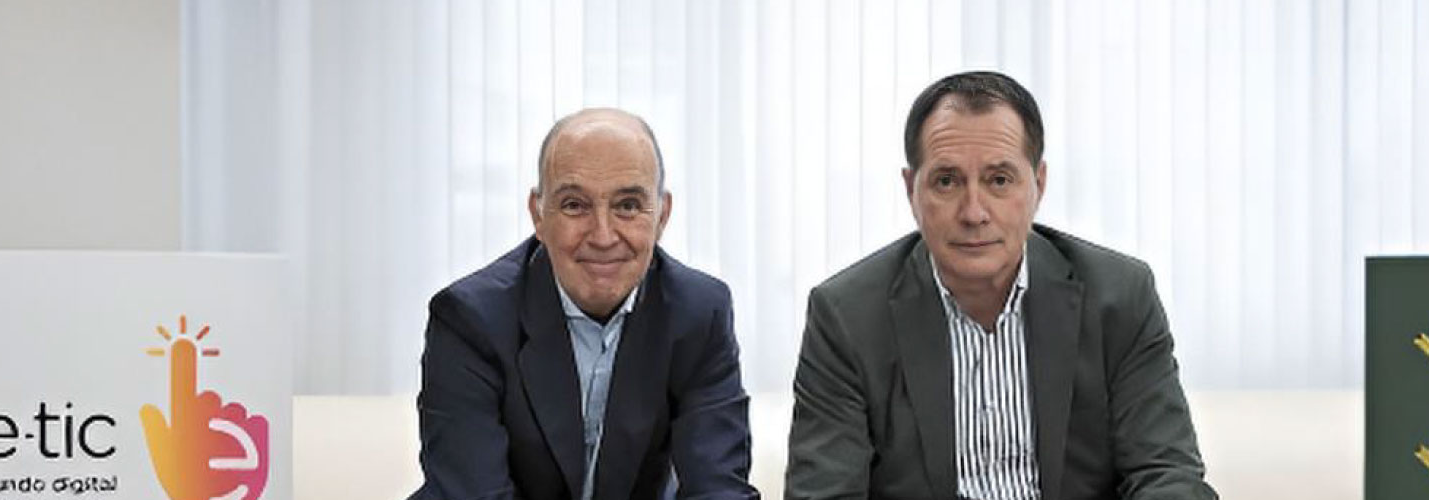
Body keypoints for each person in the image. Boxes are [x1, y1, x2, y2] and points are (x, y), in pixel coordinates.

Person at [786, 71, 1217, 500]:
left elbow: (1167, 474)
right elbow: (823, 493)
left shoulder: (1119, 297)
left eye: (999, 180)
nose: (974, 212)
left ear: (1038, 185)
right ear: (911, 190)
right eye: (947, 181)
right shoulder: (846, 317)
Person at [410, 108, 758, 500]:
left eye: (628, 205)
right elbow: (473, 494)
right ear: (538, 215)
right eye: (575, 205)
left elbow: (717, 487)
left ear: (662, 216)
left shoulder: (699, 312)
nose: (603, 236)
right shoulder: (471, 320)